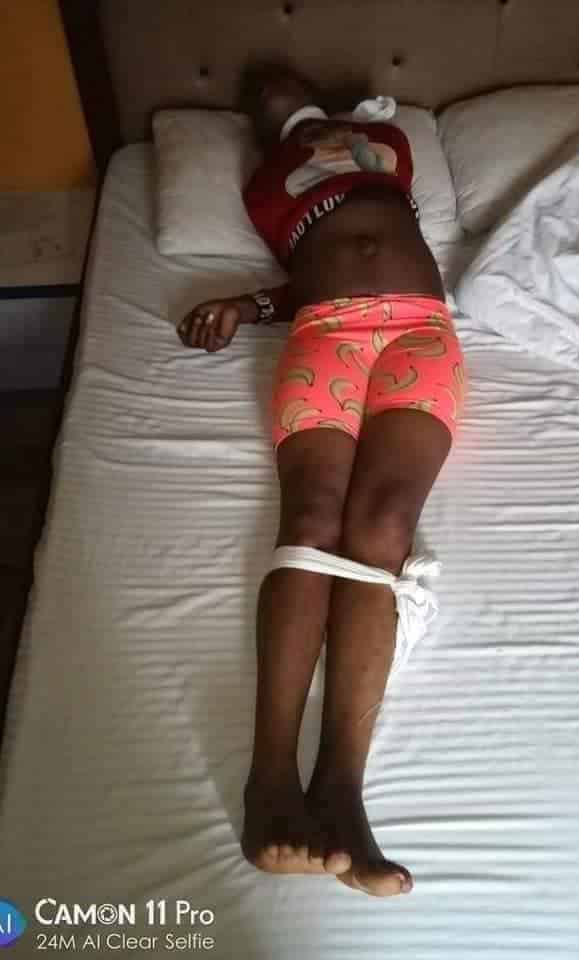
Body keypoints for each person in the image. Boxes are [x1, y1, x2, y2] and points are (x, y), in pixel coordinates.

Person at [177, 65, 465, 897]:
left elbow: (376, 158)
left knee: (385, 524)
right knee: (309, 516)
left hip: (420, 331)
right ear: (268, 132)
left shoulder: (388, 145)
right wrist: (252, 306)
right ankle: (270, 783)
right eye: (267, 103)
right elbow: (313, 262)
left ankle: (341, 790)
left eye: (288, 90)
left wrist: (338, 132)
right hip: (327, 329)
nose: (280, 99)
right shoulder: (270, 186)